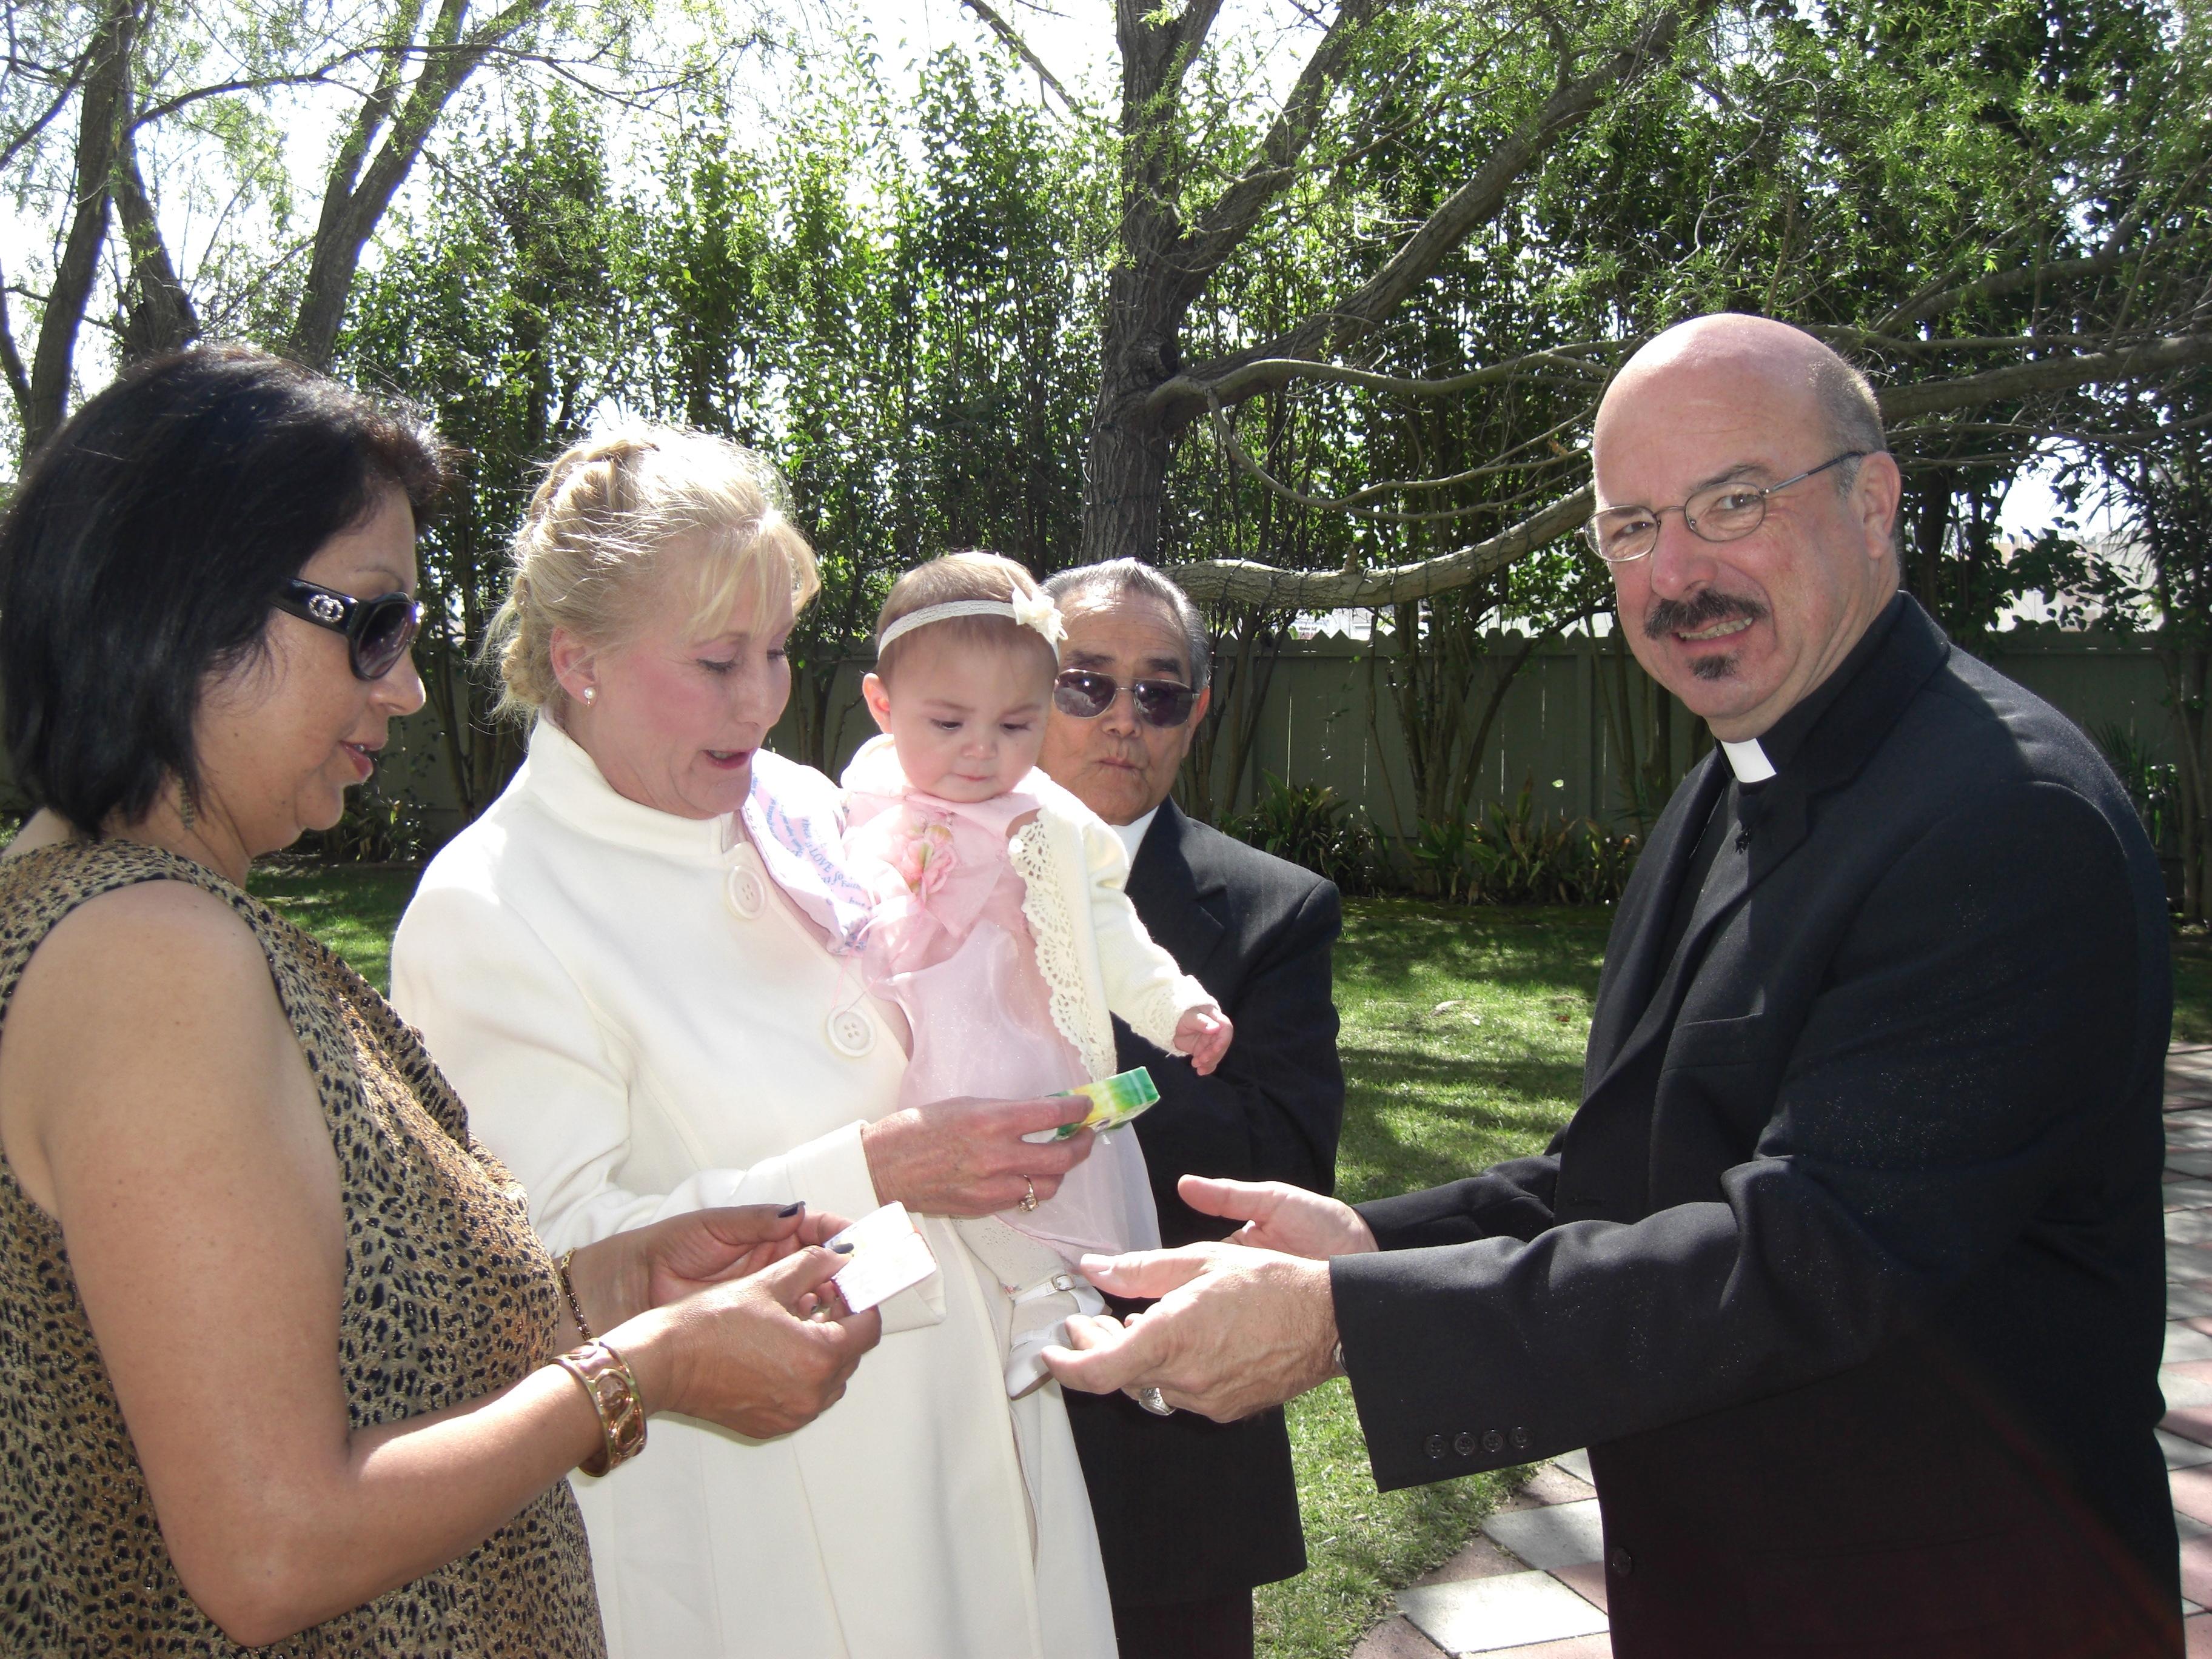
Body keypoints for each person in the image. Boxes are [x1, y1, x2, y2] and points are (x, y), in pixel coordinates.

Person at [1047, 315, 2178, 1657]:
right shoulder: (1732, 776)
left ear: (1873, 502)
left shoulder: (2003, 816)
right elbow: (1633, 1165)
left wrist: (1350, 1325)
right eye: (1632, 527)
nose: (1679, 571)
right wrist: (1371, 1242)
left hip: (1948, 1603)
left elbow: (1810, 1255)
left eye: (1733, 503)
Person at [0, 346, 877, 1654]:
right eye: (371, 622)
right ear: (184, 600)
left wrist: (610, 1284)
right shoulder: (149, 953)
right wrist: (640, 1374)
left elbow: (347, 1357)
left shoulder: (123, 911)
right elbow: (272, 1544)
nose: (405, 686)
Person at [389, 431, 1117, 1659]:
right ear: (580, 663)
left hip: (967, 1438)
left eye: (777, 651)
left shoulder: (795, 799)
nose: (762, 699)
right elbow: (553, 1272)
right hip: (769, 1525)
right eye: (720, 660)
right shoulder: (490, 911)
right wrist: (878, 1169)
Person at [1037, 558, 1346, 1659]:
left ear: (1195, 714)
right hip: (948, 1426)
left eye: (1158, 693)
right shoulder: (897, 875)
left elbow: (1279, 1162)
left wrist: (1087, 1094)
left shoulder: (1274, 912)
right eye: (1087, 684)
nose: (1124, 718)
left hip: (1163, 1452)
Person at [839, 551, 1232, 1392]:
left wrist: (1177, 1008)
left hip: (1013, 1039)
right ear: (883, 705)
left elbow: (1109, 930)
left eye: (1016, 727)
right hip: (902, 1043)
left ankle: (1053, 1312)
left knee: (1045, 1187)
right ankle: (895, 1317)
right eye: (948, 725)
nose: (982, 752)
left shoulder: (1051, 821)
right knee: (909, 1196)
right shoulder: (858, 799)